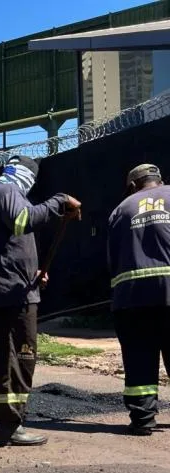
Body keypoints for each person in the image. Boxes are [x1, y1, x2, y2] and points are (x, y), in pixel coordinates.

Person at [0, 155, 81, 446]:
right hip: (10, 295)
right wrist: (59, 200)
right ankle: (10, 425)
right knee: (20, 357)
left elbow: (3, 247)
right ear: (23, 175)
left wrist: (32, 273)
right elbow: (24, 220)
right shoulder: (7, 192)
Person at [107, 163, 170, 436]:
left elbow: (112, 259)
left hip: (132, 298)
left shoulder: (121, 209)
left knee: (138, 357)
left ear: (133, 185)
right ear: (159, 180)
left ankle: (143, 419)